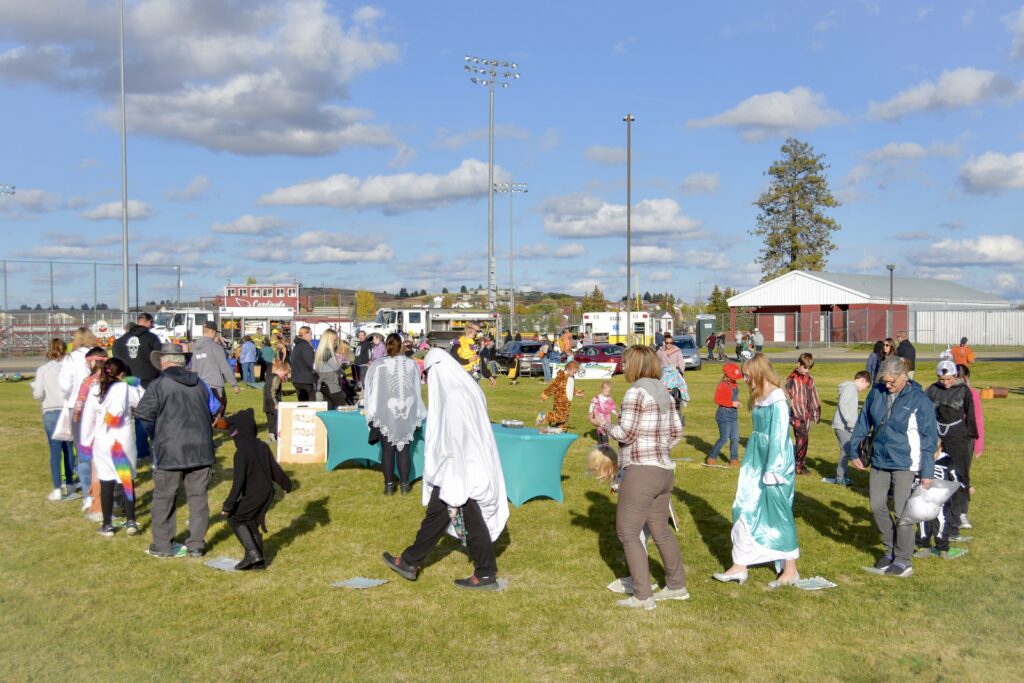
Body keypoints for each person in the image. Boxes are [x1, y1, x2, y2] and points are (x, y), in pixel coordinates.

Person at [381, 349, 509, 590]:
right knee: (438, 513)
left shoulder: (455, 395)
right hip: (457, 465)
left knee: (469, 515)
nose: (428, 381)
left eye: (428, 374)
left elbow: (458, 437)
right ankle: (410, 560)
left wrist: (453, 472)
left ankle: (485, 573)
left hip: (462, 466)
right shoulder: (464, 388)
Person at [595, 345, 687, 609]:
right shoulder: (665, 393)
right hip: (664, 470)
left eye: (625, 362)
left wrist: (603, 424)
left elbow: (626, 433)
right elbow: (678, 431)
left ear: (634, 365)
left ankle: (643, 596)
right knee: (660, 529)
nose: (622, 367)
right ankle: (677, 585)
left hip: (641, 471)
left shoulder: (636, 392)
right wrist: (660, 448)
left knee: (627, 531)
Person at [713, 353, 800, 589]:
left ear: (759, 373)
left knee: (778, 513)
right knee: (743, 505)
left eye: (747, 375)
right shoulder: (759, 395)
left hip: (775, 461)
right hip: (755, 458)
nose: (744, 379)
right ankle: (740, 564)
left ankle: (790, 569)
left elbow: (780, 436)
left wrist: (773, 469)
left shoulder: (778, 398)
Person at [850, 355, 937, 578]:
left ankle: (903, 559)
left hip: (905, 463)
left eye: (892, 382)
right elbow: (863, 422)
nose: (887, 386)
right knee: (877, 505)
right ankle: (889, 550)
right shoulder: (876, 392)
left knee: (901, 511)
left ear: (903, 376)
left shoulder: (919, 399)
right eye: (885, 381)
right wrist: (854, 451)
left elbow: (929, 437)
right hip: (879, 459)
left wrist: (927, 472)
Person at [136, 343, 216, 559]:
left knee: (164, 497)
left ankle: (162, 545)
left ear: (164, 361)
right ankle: (196, 544)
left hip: (170, 449)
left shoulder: (158, 385)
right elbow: (215, 410)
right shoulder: (201, 384)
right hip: (201, 448)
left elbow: (144, 416)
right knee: (198, 497)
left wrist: (156, 436)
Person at [221, 409, 294, 570]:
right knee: (251, 522)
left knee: (235, 519)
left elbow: (238, 483)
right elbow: (275, 470)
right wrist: (286, 484)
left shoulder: (241, 453)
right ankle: (258, 563)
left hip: (255, 494)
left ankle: (252, 553)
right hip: (268, 492)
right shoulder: (262, 446)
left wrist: (228, 505)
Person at [80, 358, 144, 537]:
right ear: (122, 374)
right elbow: (142, 397)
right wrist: (132, 381)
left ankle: (107, 524)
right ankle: (131, 520)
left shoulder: (95, 391)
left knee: (106, 481)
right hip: (123, 439)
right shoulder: (126, 389)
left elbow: (87, 420)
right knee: (126, 480)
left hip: (103, 441)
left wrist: (85, 443)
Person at [364, 333, 428, 496]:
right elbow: (416, 389)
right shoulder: (411, 364)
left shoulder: (378, 365)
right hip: (401, 412)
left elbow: (370, 391)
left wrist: (371, 412)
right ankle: (404, 486)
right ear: (402, 346)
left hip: (388, 411)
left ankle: (389, 486)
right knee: (404, 449)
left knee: (388, 449)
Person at [925, 360, 977, 542]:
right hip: (937, 437)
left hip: (958, 438)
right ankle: (931, 523)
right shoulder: (932, 390)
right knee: (935, 479)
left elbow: (971, 416)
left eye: (948, 379)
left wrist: (971, 439)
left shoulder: (964, 391)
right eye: (941, 379)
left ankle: (954, 527)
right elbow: (925, 414)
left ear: (955, 376)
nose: (945, 383)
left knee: (959, 479)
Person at [68, 345, 110, 519]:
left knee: (90, 463)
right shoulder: (114, 380)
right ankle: (113, 498)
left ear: (94, 362)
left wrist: (76, 419)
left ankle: (93, 499)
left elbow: (80, 403)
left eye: (88, 362)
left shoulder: (89, 381)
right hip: (111, 428)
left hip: (90, 429)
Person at [32, 338, 76, 500]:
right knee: (69, 449)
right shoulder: (70, 368)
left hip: (50, 411)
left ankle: (57, 488)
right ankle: (70, 483)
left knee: (55, 451)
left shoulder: (43, 370)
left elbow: (38, 394)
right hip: (67, 410)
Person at [914, 440, 965, 560]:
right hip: (924, 499)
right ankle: (923, 546)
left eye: (934, 453)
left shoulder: (947, 461)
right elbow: (916, 477)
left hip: (941, 501)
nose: (931, 457)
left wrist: (966, 487)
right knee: (922, 522)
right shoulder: (921, 460)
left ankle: (942, 548)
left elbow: (956, 477)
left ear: (940, 449)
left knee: (941, 522)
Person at [825, 370, 871, 486]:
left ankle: (843, 475)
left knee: (847, 450)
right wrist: (851, 422)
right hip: (842, 426)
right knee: (846, 451)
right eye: (866, 386)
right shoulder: (850, 388)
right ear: (862, 380)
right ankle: (840, 477)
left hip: (846, 426)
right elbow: (843, 404)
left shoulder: (852, 389)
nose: (865, 389)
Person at [191, 321, 239, 422]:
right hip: (214, 385)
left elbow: (192, 368)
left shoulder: (193, 348)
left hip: (198, 385)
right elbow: (225, 367)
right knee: (217, 411)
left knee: (202, 412)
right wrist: (234, 384)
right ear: (213, 332)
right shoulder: (216, 347)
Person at [956, 364, 983, 530]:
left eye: (959, 376)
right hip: (947, 439)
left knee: (963, 475)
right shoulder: (943, 392)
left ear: (965, 378)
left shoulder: (972, 393)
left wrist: (979, 444)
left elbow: (978, 418)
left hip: (966, 439)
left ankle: (962, 513)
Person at [784, 353, 820, 475]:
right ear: (798, 364)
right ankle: (798, 466)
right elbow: (787, 397)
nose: (807, 370)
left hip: (806, 415)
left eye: (809, 368)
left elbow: (814, 396)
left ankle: (798, 462)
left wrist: (816, 413)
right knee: (802, 438)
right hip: (796, 416)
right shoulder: (791, 379)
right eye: (805, 367)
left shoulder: (810, 380)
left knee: (804, 440)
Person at [706, 363, 743, 467]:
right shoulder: (722, 385)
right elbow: (718, 399)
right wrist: (732, 403)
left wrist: (737, 402)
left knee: (735, 438)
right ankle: (712, 457)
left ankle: (734, 460)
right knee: (724, 438)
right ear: (728, 376)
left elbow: (733, 398)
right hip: (724, 415)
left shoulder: (734, 384)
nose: (735, 379)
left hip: (733, 415)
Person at [112, 312, 161, 388]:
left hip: (128, 382)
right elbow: (158, 360)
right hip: (148, 383)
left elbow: (116, 363)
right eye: (152, 324)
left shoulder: (118, 342)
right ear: (149, 322)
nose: (152, 326)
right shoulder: (152, 338)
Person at [314, 329, 354, 409]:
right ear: (329, 340)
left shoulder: (320, 352)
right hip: (331, 386)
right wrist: (344, 371)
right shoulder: (327, 352)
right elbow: (336, 368)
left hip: (323, 385)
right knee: (344, 408)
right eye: (334, 340)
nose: (335, 342)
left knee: (330, 410)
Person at [539, 360, 584, 429]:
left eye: (575, 372)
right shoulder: (561, 376)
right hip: (560, 401)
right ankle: (544, 417)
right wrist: (545, 395)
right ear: (568, 369)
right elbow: (553, 386)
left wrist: (576, 393)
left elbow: (570, 387)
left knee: (565, 419)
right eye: (573, 372)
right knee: (561, 416)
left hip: (568, 401)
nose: (574, 374)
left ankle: (560, 432)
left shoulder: (572, 377)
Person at [263, 359, 290, 442]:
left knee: (271, 420)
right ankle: (275, 437)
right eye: (285, 374)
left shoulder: (270, 375)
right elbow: (272, 391)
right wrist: (276, 403)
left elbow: (266, 389)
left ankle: (271, 436)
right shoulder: (276, 378)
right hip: (273, 402)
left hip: (266, 402)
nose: (285, 377)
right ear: (281, 370)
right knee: (277, 420)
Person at [290, 326, 316, 401]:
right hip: (305, 379)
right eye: (311, 334)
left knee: (302, 403)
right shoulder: (305, 347)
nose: (311, 336)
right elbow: (310, 362)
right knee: (311, 403)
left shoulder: (296, 346)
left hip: (296, 379)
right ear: (305, 334)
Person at [587, 380, 617, 445]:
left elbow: (612, 407)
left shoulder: (609, 399)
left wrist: (614, 412)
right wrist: (590, 413)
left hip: (607, 418)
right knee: (600, 429)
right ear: (602, 389)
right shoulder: (597, 397)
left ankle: (602, 444)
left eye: (608, 391)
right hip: (599, 417)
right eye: (605, 391)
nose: (607, 392)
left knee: (605, 429)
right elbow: (592, 405)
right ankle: (603, 444)